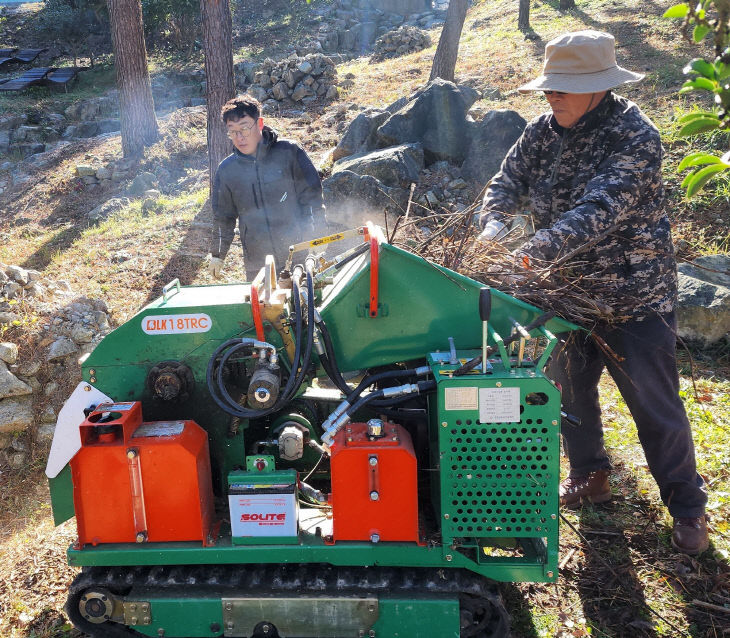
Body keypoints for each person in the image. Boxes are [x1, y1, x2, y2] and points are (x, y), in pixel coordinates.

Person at [477, 30, 709, 555]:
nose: (550, 96)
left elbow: (601, 210)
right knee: (569, 394)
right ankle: (590, 473)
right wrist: (493, 227)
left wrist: (531, 249)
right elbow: (504, 184)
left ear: (599, 87)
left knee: (653, 402)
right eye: (548, 87)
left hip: (633, 296)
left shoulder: (636, 137)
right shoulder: (541, 133)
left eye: (562, 87)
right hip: (565, 295)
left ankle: (688, 506)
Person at [209, 95, 326, 279]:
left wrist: (318, 233)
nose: (239, 137)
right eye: (233, 131)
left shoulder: (289, 152)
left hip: (298, 255)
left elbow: (312, 197)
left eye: (245, 128)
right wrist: (217, 255)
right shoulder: (227, 170)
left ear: (260, 123)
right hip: (258, 264)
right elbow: (223, 217)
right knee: (263, 307)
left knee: (306, 303)